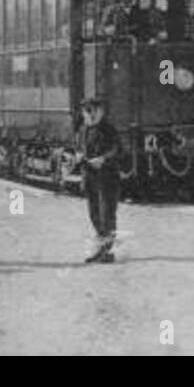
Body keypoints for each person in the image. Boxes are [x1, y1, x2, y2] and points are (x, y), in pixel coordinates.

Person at [77, 97, 123, 263]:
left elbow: (117, 149)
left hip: (107, 178)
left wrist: (103, 158)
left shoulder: (108, 130)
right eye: (87, 111)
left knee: (106, 215)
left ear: (101, 112)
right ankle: (102, 249)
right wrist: (78, 156)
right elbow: (79, 147)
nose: (90, 115)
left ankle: (107, 252)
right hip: (89, 177)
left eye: (93, 111)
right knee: (94, 214)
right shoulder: (83, 130)